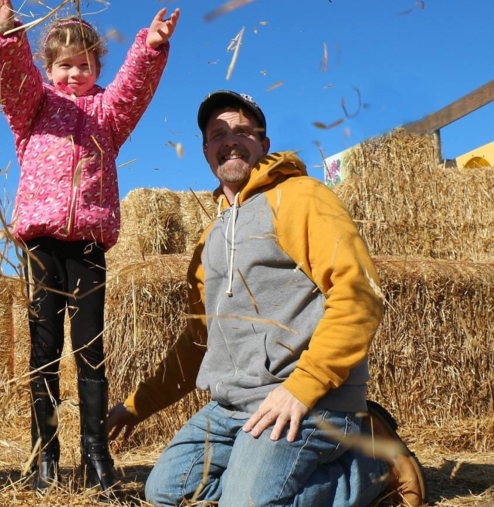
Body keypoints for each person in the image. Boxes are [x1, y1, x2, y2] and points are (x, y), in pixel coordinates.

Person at [106, 91, 427, 507]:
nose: (230, 140)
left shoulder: (300, 197)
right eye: (218, 134)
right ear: (206, 151)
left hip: (309, 399)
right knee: (166, 492)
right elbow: (197, 342)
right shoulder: (211, 237)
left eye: (243, 130)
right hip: (233, 408)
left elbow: (359, 293)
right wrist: (136, 406)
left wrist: (303, 387)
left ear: (264, 143)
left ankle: (373, 469)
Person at [0, 0, 180, 493]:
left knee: (90, 347)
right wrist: (6, 35)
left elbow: (134, 87)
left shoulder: (107, 115)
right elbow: (13, 79)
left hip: (88, 243)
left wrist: (149, 48)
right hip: (42, 245)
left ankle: (95, 456)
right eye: (64, 64)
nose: (74, 73)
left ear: (96, 69)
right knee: (43, 347)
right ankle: (45, 457)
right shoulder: (33, 110)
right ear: (49, 69)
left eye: (85, 64)